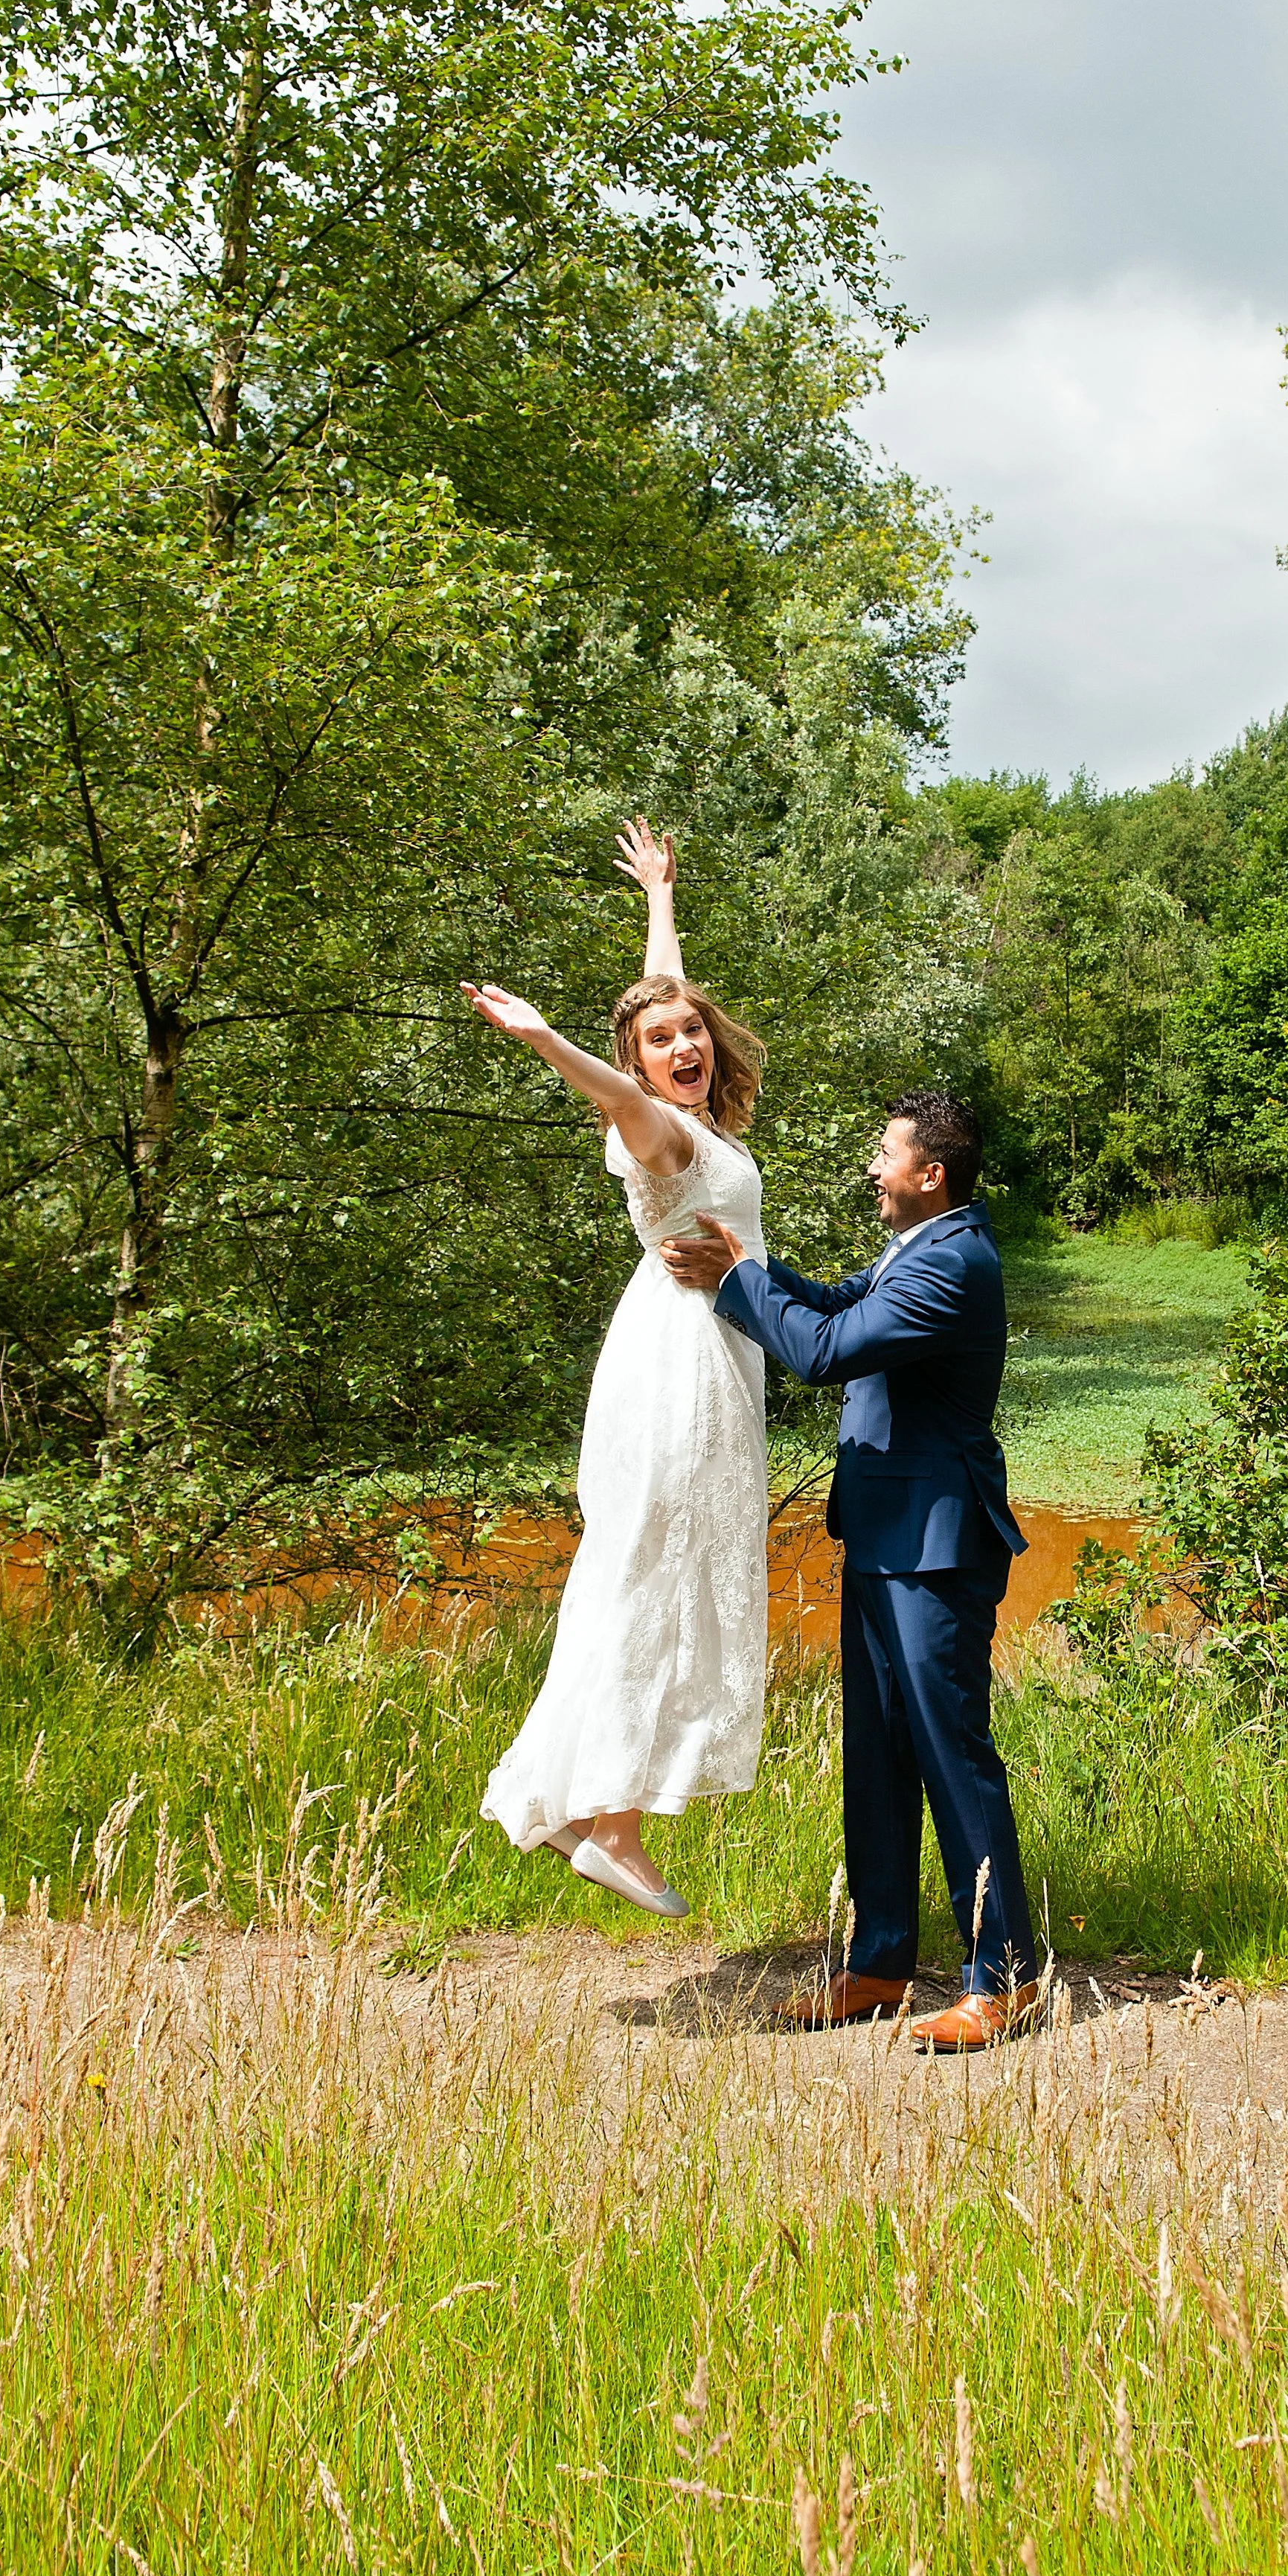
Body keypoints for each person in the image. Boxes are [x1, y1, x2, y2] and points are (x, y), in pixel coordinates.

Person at [663, 1093, 1040, 2052]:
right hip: (883, 1534)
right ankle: (879, 1963)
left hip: (936, 1544)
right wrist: (748, 1270)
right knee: (875, 1756)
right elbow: (838, 1306)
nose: (872, 1168)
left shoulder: (955, 1263)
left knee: (950, 1756)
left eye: (885, 1154)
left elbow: (824, 1350)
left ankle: (1003, 1981)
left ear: (931, 1174)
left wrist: (738, 1282)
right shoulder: (917, 1250)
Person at [461, 821, 769, 1920]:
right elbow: (623, 1092)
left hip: (695, 1350)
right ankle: (611, 1820)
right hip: (681, 1365)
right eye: (662, 1041)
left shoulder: (691, 1116)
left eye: (693, 1033)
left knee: (658, 1561)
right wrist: (546, 1039)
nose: (682, 1044)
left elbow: (660, 1003)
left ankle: (600, 1810)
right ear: (634, 1066)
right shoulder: (659, 1134)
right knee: (658, 1565)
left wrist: (661, 898)